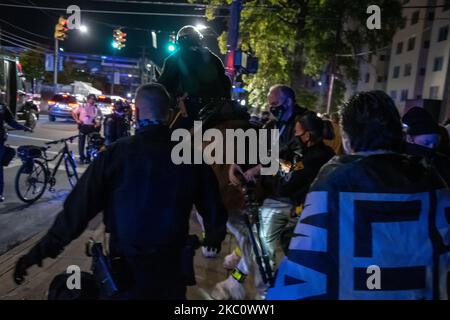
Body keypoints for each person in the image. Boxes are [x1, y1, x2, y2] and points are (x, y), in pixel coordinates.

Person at [14, 83, 228, 300]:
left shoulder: (115, 155)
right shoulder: (190, 157)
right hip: (171, 272)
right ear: (170, 114)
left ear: (136, 112)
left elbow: (76, 212)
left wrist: (37, 253)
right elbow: (213, 205)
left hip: (125, 274)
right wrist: (213, 236)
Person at [267, 91, 450, 300]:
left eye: (300, 135)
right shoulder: (434, 181)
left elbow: (301, 274)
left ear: (346, 140)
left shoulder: (334, 179)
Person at [211, 85, 308, 300]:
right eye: (269, 104)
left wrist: (260, 168)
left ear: (289, 102)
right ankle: (242, 282)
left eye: (275, 104)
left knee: (262, 242)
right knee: (258, 240)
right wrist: (236, 165)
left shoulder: (303, 126)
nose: (271, 108)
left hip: (292, 196)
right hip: (272, 193)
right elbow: (255, 150)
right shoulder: (271, 126)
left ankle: (257, 291)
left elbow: (294, 165)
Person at [158, 25, 232, 129]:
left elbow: (162, 87)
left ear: (179, 41)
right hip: (213, 112)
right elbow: (226, 83)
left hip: (185, 112)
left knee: (166, 137)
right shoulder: (214, 58)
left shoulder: (172, 60)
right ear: (198, 39)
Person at [402, 106, 450, 186]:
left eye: (435, 144)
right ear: (410, 138)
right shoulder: (399, 161)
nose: (431, 147)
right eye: (426, 143)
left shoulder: (442, 162)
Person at [0, 103, 32, 202]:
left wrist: (24, 127)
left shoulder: (2, 106)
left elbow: (11, 121)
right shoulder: (2, 106)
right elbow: (11, 122)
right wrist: (24, 127)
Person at [72, 94, 101, 164]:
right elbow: (73, 113)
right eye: (91, 99)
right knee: (81, 143)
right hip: (83, 126)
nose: (92, 100)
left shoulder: (96, 108)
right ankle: (81, 158)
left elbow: (98, 118)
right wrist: (77, 120)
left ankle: (88, 158)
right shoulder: (82, 106)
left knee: (90, 144)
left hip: (91, 127)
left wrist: (97, 123)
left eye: (94, 99)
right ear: (88, 99)